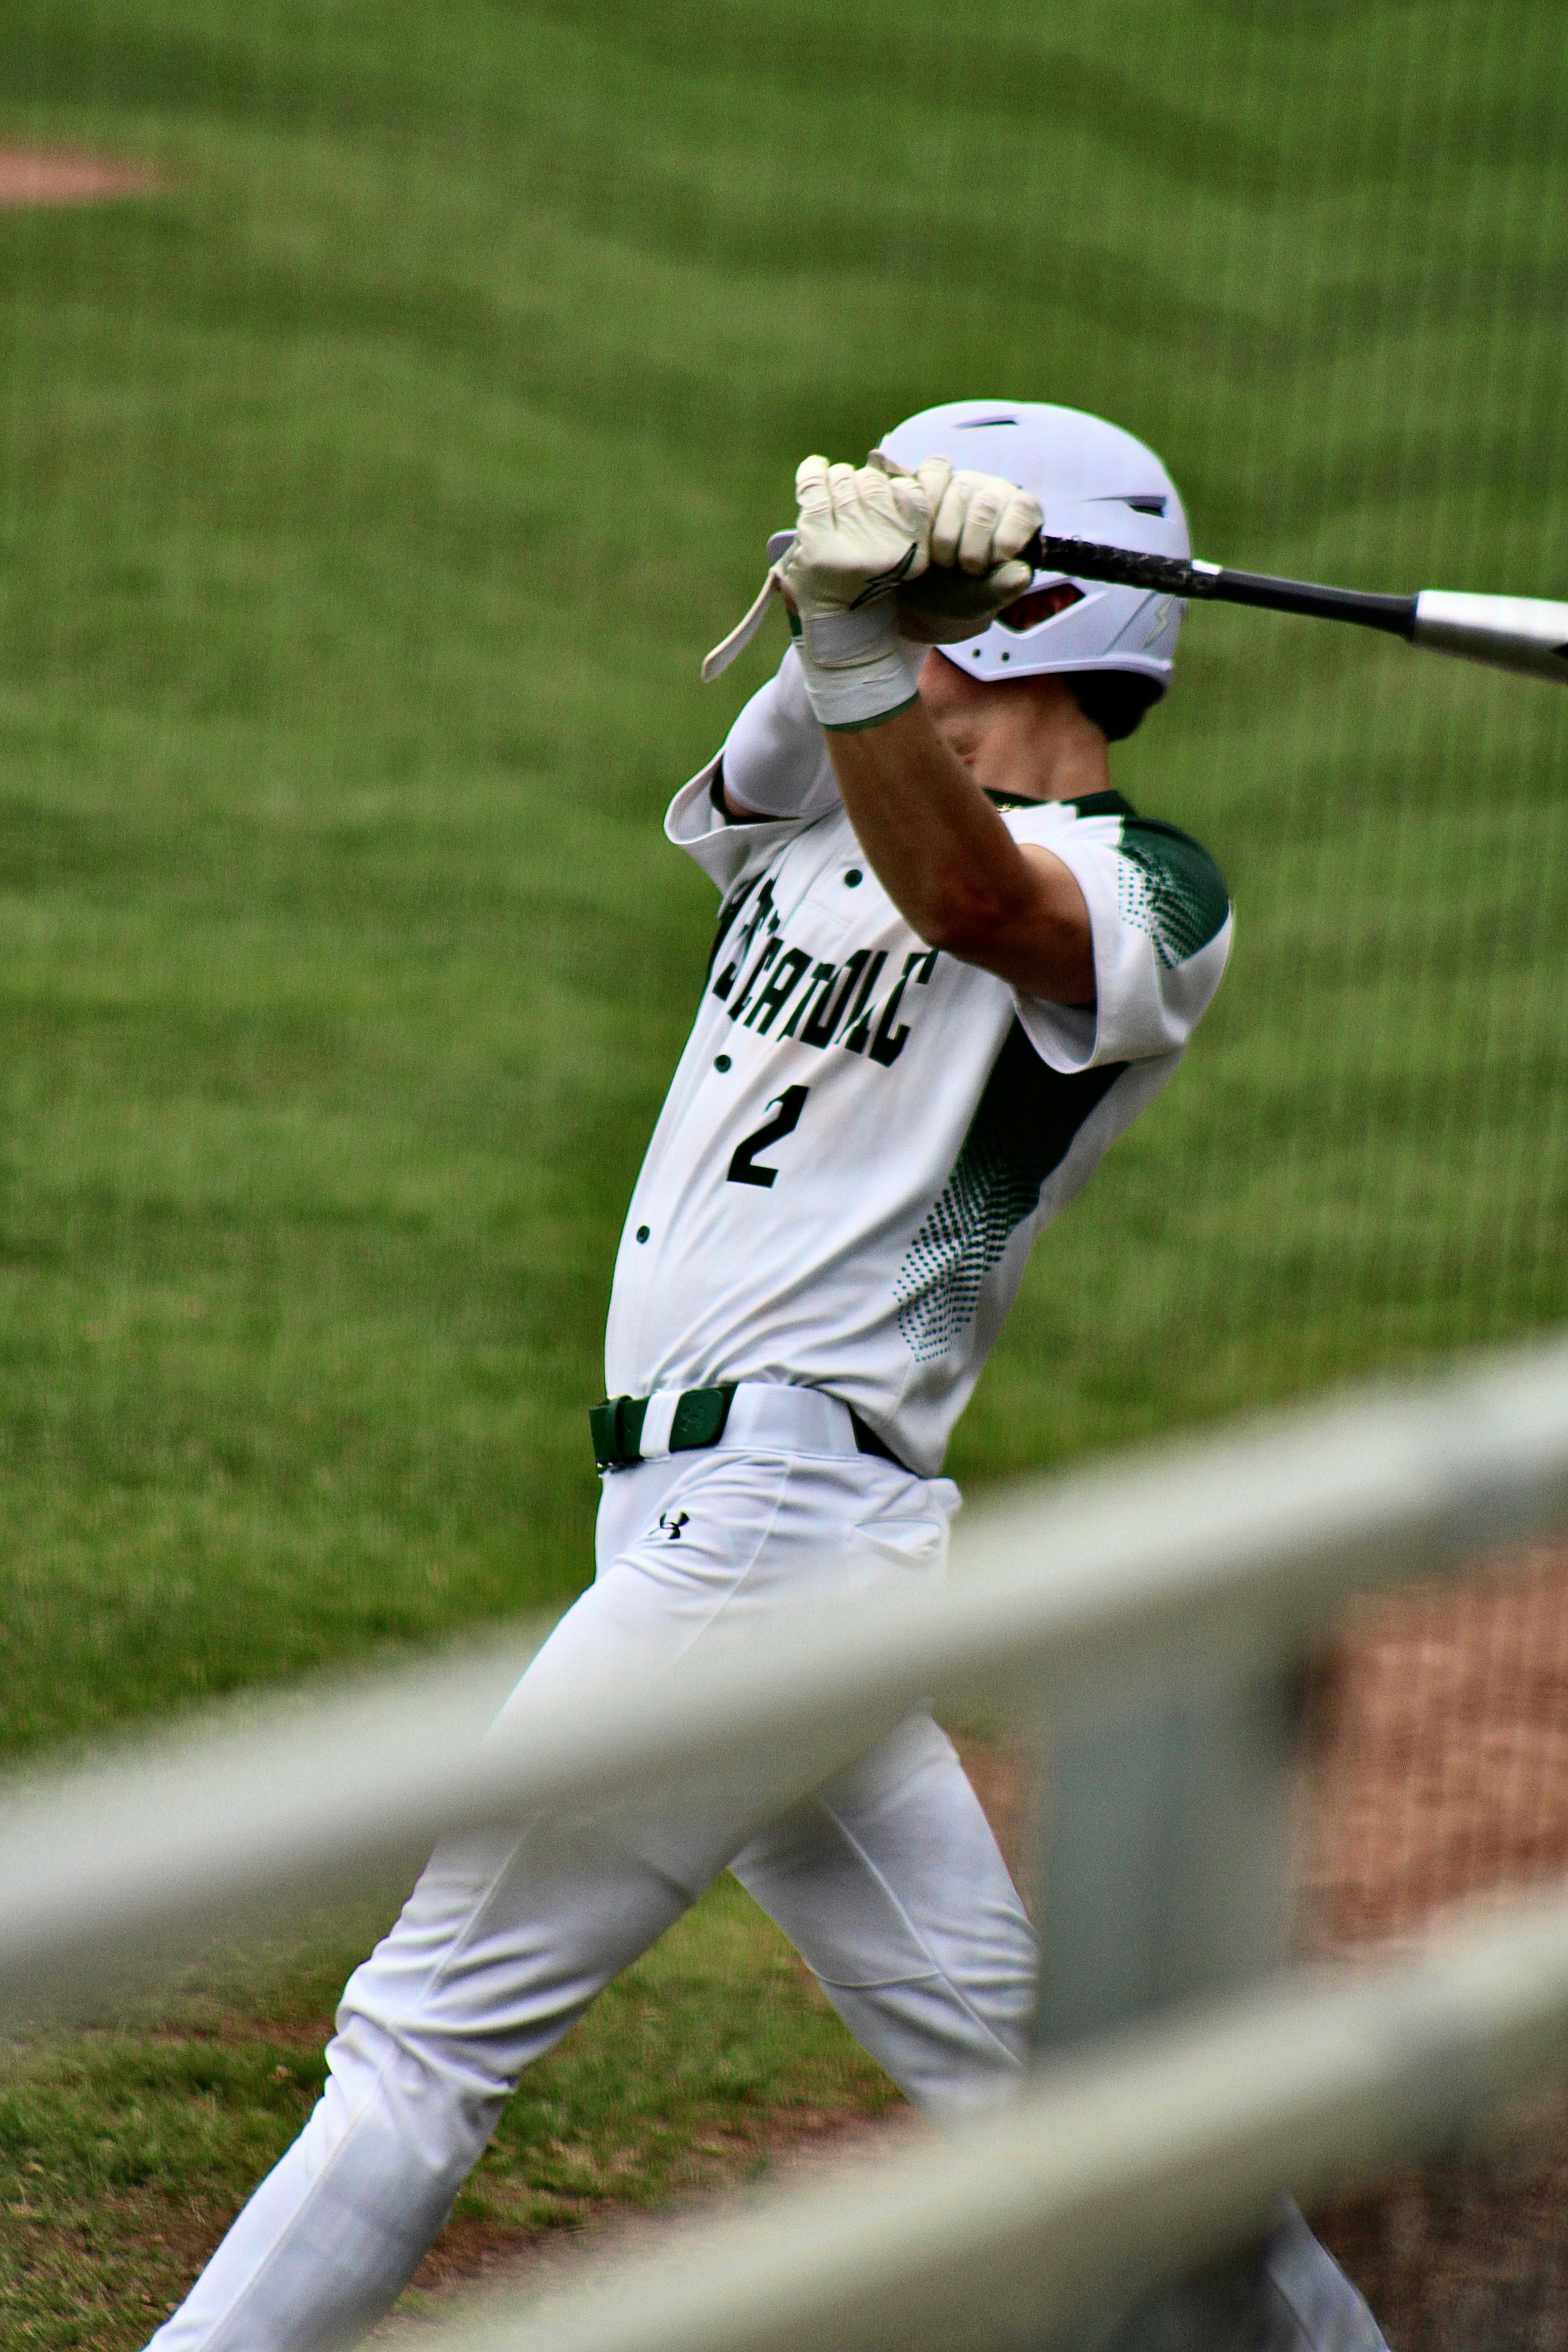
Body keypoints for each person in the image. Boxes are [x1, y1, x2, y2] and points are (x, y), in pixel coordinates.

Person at [148, 400, 1381, 2351]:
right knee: (1063, 2125)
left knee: (418, 2046)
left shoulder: (1155, 894)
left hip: (773, 1532)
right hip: (743, 1548)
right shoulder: (827, 803)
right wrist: (861, 624)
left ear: (1035, 600)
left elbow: (980, 901)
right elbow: (782, 765)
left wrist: (870, 647)